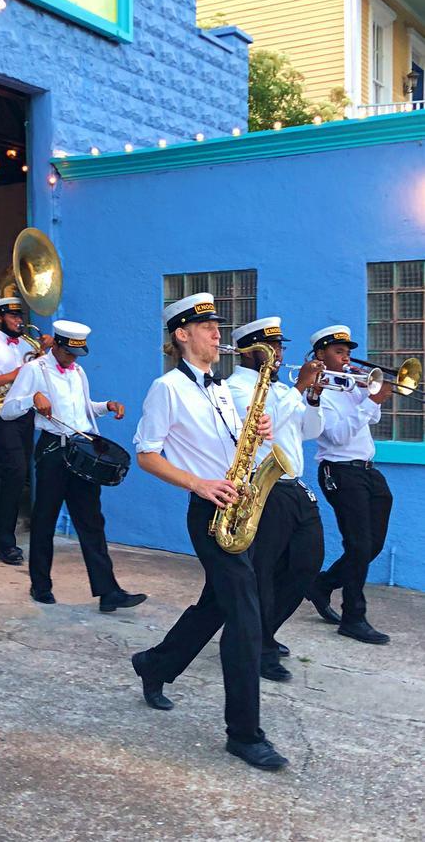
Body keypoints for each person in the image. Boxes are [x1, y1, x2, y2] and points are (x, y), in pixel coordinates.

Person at [131, 292, 288, 771]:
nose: (219, 334)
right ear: (182, 334)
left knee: (217, 604)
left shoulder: (218, 388)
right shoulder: (167, 388)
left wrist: (256, 431)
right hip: (210, 514)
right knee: (244, 614)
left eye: (218, 327)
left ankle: (155, 664)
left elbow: (233, 447)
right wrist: (198, 484)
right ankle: (244, 734)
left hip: (242, 506)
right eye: (208, 328)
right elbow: (146, 453)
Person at [0, 319, 147, 613]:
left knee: (92, 522)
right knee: (45, 520)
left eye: (77, 354)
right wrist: (32, 399)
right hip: (53, 450)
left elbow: (82, 408)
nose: (72, 358)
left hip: (82, 449)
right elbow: (6, 410)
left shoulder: (77, 371)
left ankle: (108, 592)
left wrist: (106, 406)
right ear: (55, 344)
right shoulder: (35, 370)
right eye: (67, 352)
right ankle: (40, 585)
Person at [226, 317, 326, 683]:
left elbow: (311, 431)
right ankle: (260, 647)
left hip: (294, 485)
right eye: (274, 348)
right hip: (263, 487)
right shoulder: (236, 388)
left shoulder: (283, 388)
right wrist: (300, 388)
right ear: (253, 350)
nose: (281, 354)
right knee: (264, 572)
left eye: (282, 347)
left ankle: (263, 631)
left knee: (307, 563)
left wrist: (312, 395)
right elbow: (262, 426)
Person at [308, 324, 393, 644]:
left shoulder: (351, 384)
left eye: (347, 353)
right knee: (357, 545)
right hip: (340, 472)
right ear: (320, 355)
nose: (346, 358)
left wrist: (369, 393)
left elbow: (371, 420)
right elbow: (338, 436)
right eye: (339, 352)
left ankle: (323, 584)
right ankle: (353, 617)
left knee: (372, 545)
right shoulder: (319, 391)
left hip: (368, 471)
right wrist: (372, 401)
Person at [0, 297, 52, 565]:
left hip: (24, 414)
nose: (19, 321)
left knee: (19, 473)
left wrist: (46, 353)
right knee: (16, 471)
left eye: (20, 316)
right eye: (13, 316)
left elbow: (41, 374)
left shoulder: (28, 344)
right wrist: (14, 374)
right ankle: (6, 541)